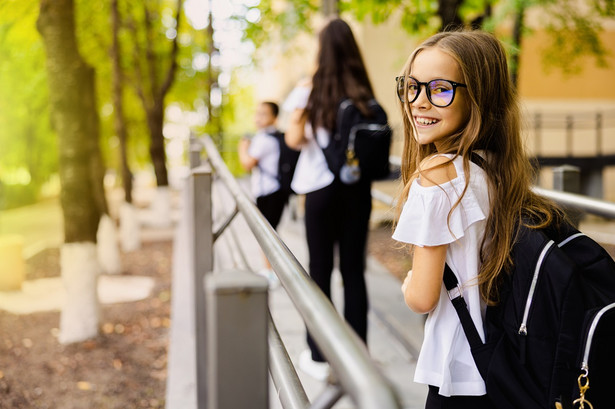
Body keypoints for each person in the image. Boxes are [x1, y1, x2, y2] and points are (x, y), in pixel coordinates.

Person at [392, 30, 561, 408]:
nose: (419, 102)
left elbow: (422, 297)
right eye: (412, 87)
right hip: (503, 363)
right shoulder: (495, 169)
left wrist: (407, 284)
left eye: (440, 89)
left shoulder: (436, 174)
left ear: (477, 97)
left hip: (459, 367)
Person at [284, 18, 377, 381]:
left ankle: (321, 358)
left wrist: (303, 101)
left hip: (320, 192)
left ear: (322, 50)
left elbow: (293, 139)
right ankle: (360, 356)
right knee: (354, 272)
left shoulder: (311, 90)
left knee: (319, 271)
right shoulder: (363, 93)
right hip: (356, 191)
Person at [238, 101, 287, 287]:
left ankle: (271, 273)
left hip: (269, 192)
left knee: (267, 234)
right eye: (257, 113)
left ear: (275, 118)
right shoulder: (269, 137)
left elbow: (247, 163)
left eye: (264, 114)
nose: (258, 117)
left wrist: (242, 148)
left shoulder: (265, 140)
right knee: (269, 232)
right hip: (271, 190)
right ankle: (270, 270)